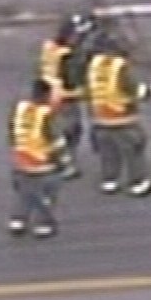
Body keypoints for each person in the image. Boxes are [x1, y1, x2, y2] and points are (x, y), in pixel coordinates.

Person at [85, 39, 151, 197]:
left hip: (100, 117)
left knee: (108, 152)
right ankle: (137, 182)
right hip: (122, 118)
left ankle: (110, 180)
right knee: (133, 150)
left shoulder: (95, 65)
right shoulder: (119, 67)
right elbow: (133, 91)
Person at [9, 78, 69, 239]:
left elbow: (12, 134)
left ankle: (18, 220)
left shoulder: (21, 109)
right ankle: (43, 224)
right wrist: (62, 160)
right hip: (43, 163)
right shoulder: (47, 114)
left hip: (22, 160)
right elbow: (55, 140)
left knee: (26, 193)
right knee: (47, 195)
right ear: (46, 95)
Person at [36, 15, 88, 179]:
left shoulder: (50, 48)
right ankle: (63, 164)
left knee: (55, 130)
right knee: (69, 131)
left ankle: (57, 160)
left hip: (47, 92)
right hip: (62, 97)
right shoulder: (68, 57)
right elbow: (73, 81)